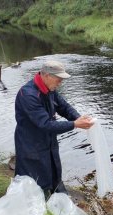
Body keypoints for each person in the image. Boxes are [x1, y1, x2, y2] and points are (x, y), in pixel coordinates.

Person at [14, 60, 94, 197]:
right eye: (59, 79)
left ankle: (56, 191)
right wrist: (75, 124)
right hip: (31, 143)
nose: (60, 82)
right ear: (46, 75)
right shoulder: (28, 95)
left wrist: (79, 118)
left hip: (48, 139)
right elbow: (45, 124)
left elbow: (64, 107)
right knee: (34, 175)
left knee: (53, 168)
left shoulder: (50, 89)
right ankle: (39, 199)